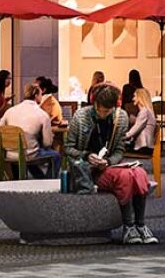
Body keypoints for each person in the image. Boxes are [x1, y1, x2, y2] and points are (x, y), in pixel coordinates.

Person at [66, 84, 156, 243]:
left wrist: (107, 161)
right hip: (86, 170)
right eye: (99, 110)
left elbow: (119, 150)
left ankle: (140, 225)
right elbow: (68, 148)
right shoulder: (80, 117)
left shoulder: (120, 118)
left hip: (107, 166)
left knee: (139, 173)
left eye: (107, 111)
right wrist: (87, 155)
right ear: (94, 104)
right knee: (124, 176)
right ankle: (129, 227)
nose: (102, 114)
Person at [0, 83, 59, 178]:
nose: (42, 97)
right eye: (41, 95)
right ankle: (48, 182)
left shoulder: (10, 111)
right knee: (55, 155)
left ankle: (39, 179)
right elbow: (47, 143)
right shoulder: (42, 114)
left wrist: (8, 145)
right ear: (36, 95)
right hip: (29, 154)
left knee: (31, 149)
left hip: (10, 154)